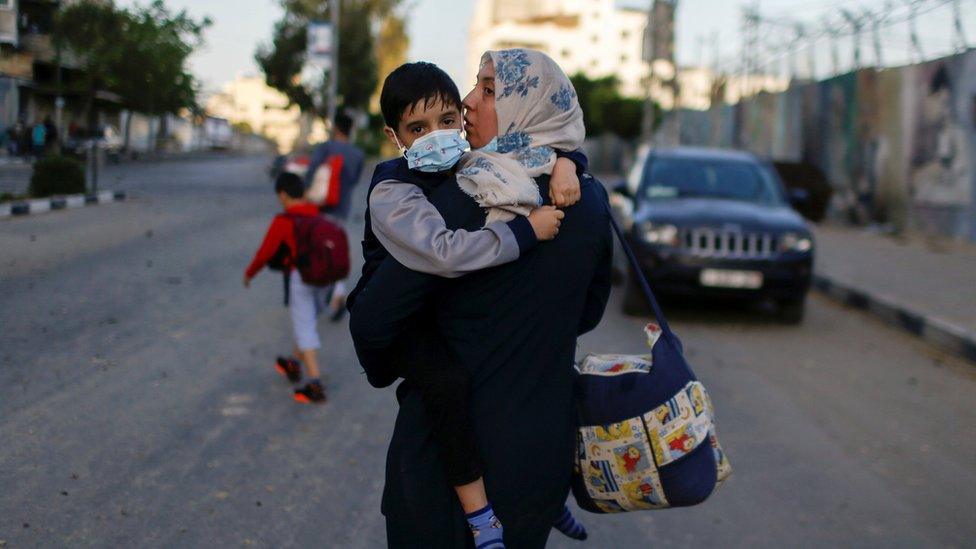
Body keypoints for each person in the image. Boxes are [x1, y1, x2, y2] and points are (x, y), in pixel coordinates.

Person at [350, 49, 612, 547]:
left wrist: (391, 364)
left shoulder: (465, 195)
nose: (470, 102)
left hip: (444, 474)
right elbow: (587, 312)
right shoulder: (589, 199)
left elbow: (374, 320)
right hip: (538, 463)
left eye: (489, 91)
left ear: (524, 106)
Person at [243, 172, 331, 404]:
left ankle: (315, 384)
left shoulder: (284, 221)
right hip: (324, 278)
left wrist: (249, 274)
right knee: (307, 321)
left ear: (282, 195)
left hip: (301, 278)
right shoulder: (317, 213)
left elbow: (265, 253)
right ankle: (292, 362)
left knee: (305, 327)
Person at [304, 112, 366, 318]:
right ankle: (337, 295)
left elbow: (311, 173)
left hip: (320, 208)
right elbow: (355, 180)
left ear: (336, 128)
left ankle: (319, 298)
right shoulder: (357, 154)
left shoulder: (326, 148)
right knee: (334, 249)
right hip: (342, 209)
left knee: (317, 251)